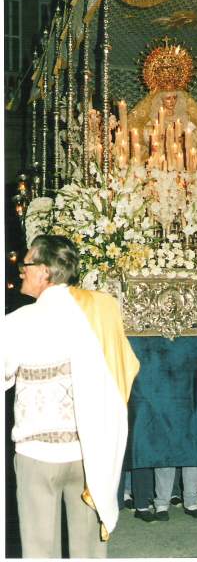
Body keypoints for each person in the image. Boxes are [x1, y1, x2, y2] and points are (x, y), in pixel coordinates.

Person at [4, 235, 140, 558]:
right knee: (90, 552)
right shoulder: (98, 311)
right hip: (87, 454)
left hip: (36, 455)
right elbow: (126, 368)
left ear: (44, 271)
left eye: (27, 264)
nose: (20, 271)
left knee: (39, 551)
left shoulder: (17, 323)